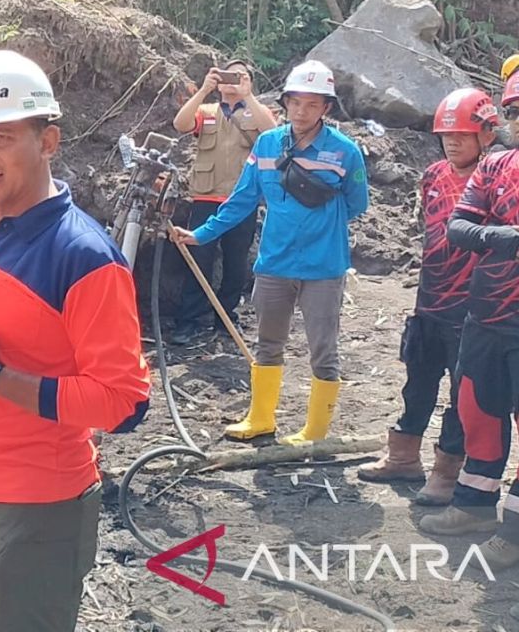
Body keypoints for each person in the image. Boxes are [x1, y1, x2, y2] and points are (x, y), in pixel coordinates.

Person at [0, 50, 151, 632]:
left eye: (2, 138)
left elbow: (124, 403)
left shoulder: (83, 258)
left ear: (48, 141)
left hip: (38, 504)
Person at [172, 60, 369, 444]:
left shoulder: (346, 152)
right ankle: (260, 418)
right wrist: (201, 234)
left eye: (312, 105)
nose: (302, 111)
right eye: (295, 102)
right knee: (268, 343)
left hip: (324, 268)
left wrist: (320, 225)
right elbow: (241, 200)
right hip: (275, 264)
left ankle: (315, 430)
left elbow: (357, 204)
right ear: (285, 103)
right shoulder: (266, 144)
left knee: (323, 349)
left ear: (326, 108)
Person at [358, 89, 497, 505]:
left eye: (463, 134)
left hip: (472, 303)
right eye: (446, 135)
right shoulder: (434, 175)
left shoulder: (496, 177)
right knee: (418, 378)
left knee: (461, 393)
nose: (452, 142)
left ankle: (447, 469)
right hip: (431, 297)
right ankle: (403, 456)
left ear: (486, 134)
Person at [417, 74, 519, 574]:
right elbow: (457, 225)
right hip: (486, 314)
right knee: (477, 410)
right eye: (517, 112)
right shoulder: (496, 166)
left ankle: (517, 530)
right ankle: (475, 507)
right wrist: (500, 236)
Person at [169, 61, 277, 345]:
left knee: (235, 262)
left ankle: (226, 320)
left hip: (242, 200)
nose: (233, 80)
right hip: (206, 196)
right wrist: (204, 90)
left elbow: (274, 136)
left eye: (240, 76)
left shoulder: (257, 113)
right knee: (198, 260)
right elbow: (180, 124)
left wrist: (247, 96)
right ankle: (189, 321)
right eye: (228, 75)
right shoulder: (205, 112)